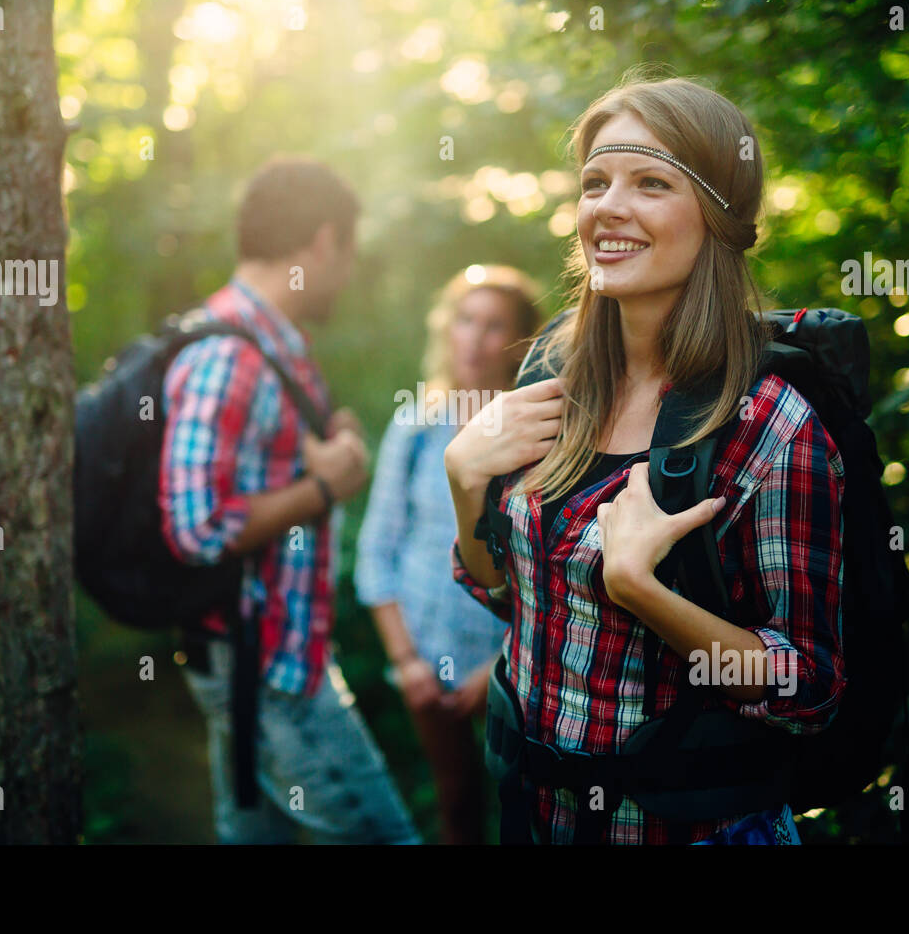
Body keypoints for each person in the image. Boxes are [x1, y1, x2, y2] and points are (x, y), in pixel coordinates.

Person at [443, 75, 847, 844]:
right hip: (534, 818)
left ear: (717, 218)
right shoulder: (552, 382)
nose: (608, 206)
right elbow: (516, 600)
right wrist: (466, 490)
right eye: (595, 182)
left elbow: (811, 689)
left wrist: (643, 592)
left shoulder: (768, 426)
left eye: (651, 182)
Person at [160, 155, 420, 844]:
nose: (347, 272)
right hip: (265, 663)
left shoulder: (274, 342)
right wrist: (327, 486)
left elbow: (257, 470)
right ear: (325, 241)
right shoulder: (232, 353)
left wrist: (323, 448)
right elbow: (198, 528)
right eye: (349, 252)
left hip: (265, 651)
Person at [355, 265, 543, 844]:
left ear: (518, 344)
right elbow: (376, 551)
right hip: (426, 665)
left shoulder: (538, 434)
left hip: (519, 669)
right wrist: (408, 663)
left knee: (530, 803)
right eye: (465, 320)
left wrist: (497, 673)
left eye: (493, 326)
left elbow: (554, 574)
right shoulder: (414, 425)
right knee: (456, 800)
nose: (475, 337)